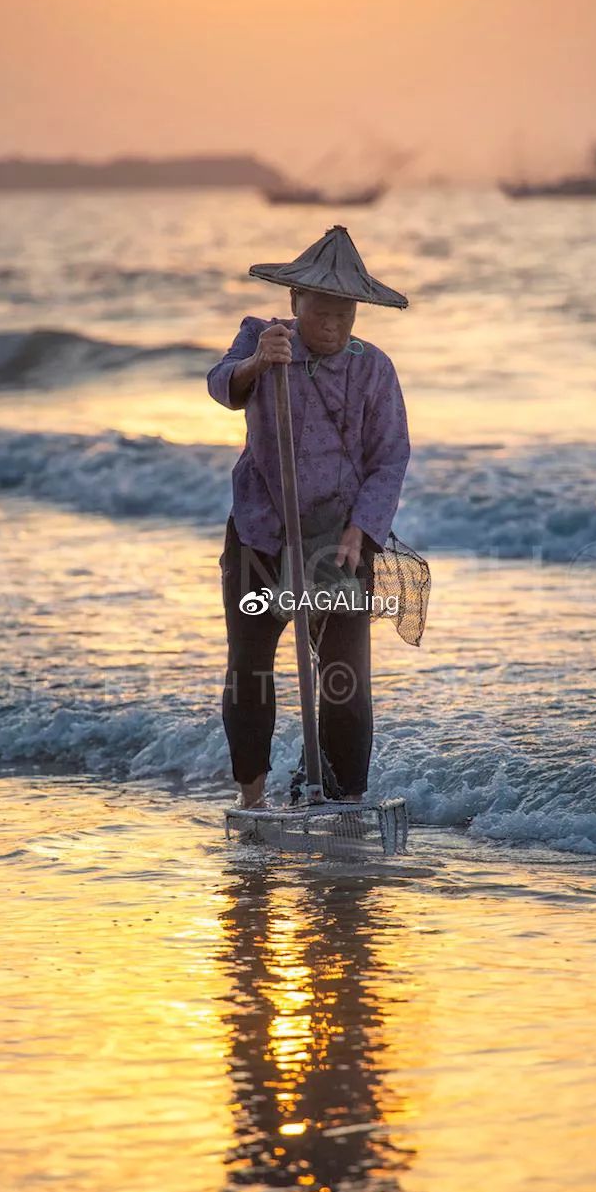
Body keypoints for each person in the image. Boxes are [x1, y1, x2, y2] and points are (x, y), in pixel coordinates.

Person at [207, 224, 410, 809]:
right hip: (260, 533)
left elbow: (391, 455)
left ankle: (342, 801)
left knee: (344, 677)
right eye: (322, 307)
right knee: (250, 666)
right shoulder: (260, 337)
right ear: (296, 303)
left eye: (345, 310)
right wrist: (255, 366)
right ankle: (252, 799)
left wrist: (360, 531)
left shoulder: (373, 368)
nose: (334, 321)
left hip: (340, 541)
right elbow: (222, 386)